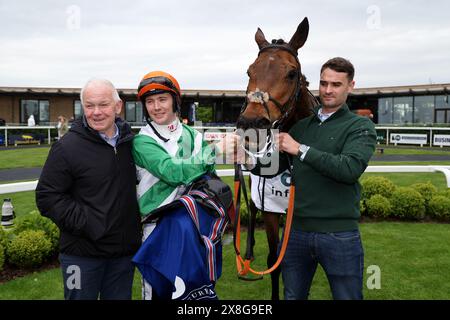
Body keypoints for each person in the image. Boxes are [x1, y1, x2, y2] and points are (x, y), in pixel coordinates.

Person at [275, 57, 377, 300]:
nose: (328, 90)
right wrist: (246, 155)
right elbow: (272, 168)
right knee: (292, 297)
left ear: (350, 86)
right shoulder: (301, 127)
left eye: (336, 84)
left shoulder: (360, 126)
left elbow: (348, 169)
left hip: (339, 234)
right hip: (295, 233)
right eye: (323, 83)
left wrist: (300, 149)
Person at [132, 70, 239, 299]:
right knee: (159, 292)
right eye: (150, 101)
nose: (156, 107)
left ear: (175, 101)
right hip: (157, 228)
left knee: (197, 291)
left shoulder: (193, 135)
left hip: (194, 226)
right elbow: (173, 172)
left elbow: (207, 178)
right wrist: (217, 150)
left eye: (162, 99)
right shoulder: (142, 141)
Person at [35, 79, 141, 300]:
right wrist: (90, 224)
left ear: (117, 106)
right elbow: (47, 197)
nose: (96, 112)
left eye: (103, 104)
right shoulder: (66, 147)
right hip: (81, 256)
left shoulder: (130, 144)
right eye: (89, 105)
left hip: (122, 256)